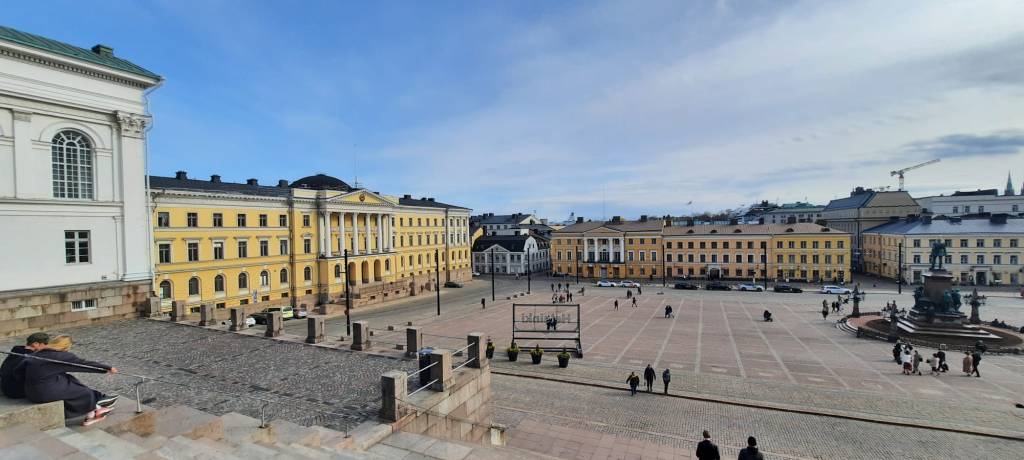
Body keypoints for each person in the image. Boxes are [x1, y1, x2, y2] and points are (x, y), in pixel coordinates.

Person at [20, 335, 119, 426]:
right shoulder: (62, 356)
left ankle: (97, 404)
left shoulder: (37, 354)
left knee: (68, 379)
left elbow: (18, 371)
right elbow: (83, 364)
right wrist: (107, 368)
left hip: (30, 393)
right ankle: (92, 414)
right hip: (44, 393)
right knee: (84, 392)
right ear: (66, 347)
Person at [1, 332, 50, 398]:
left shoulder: (17, 350)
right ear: (35, 344)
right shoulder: (31, 357)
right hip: (16, 391)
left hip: (5, 387)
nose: (46, 347)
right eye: (45, 344)